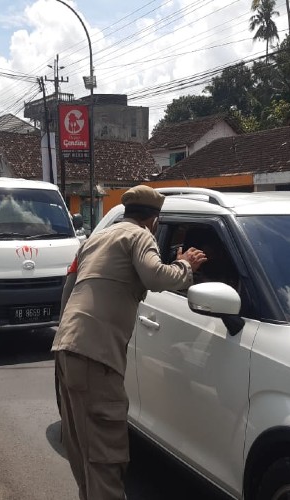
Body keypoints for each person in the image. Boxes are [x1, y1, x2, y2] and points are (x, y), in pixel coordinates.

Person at [52, 185, 207, 500]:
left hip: (67, 349)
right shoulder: (139, 236)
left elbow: (69, 290)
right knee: (106, 457)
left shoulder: (96, 239)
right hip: (96, 357)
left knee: (83, 451)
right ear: (153, 220)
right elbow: (154, 276)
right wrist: (186, 265)